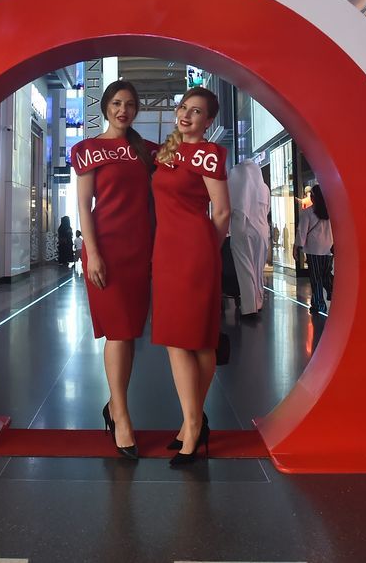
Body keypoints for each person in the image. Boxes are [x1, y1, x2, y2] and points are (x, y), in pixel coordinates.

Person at [71, 80, 157, 460]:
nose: (124, 110)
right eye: (117, 103)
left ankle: (114, 406)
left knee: (129, 334)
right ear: (106, 106)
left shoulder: (147, 150)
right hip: (105, 249)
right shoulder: (89, 150)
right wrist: (92, 253)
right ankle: (121, 416)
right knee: (119, 333)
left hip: (140, 250)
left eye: (131, 104)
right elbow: (84, 204)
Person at [151, 87, 230, 465]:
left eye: (196, 111)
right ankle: (192, 422)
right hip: (166, 252)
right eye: (183, 107)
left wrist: (206, 252)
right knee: (180, 339)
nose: (186, 115)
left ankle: (193, 425)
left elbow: (223, 212)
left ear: (208, 121)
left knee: (193, 339)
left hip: (195, 252)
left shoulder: (209, 153)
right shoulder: (166, 153)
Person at [227, 160, 269, 315]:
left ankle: (249, 308)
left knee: (245, 269)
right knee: (258, 269)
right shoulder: (264, 188)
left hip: (242, 229)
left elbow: (229, 207)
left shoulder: (236, 184)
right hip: (262, 231)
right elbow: (267, 209)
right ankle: (259, 302)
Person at [294, 183, 333, 314]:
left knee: (316, 277)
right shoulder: (330, 212)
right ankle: (333, 292)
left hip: (314, 249)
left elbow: (302, 231)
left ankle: (318, 304)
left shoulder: (308, 212)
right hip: (328, 248)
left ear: (313, 197)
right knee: (326, 275)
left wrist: (296, 247)